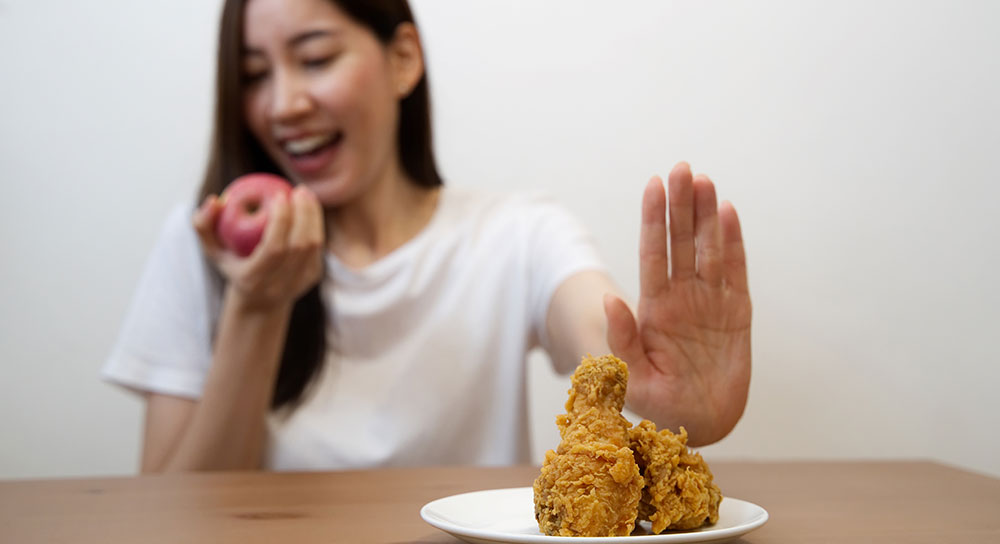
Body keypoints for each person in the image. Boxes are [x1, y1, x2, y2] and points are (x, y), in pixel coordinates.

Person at [102, 0, 752, 472]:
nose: (282, 104)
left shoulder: (517, 234)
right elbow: (174, 512)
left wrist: (663, 391)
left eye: (315, 59)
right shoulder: (205, 245)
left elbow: (595, 330)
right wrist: (256, 309)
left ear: (403, 60)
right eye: (253, 75)